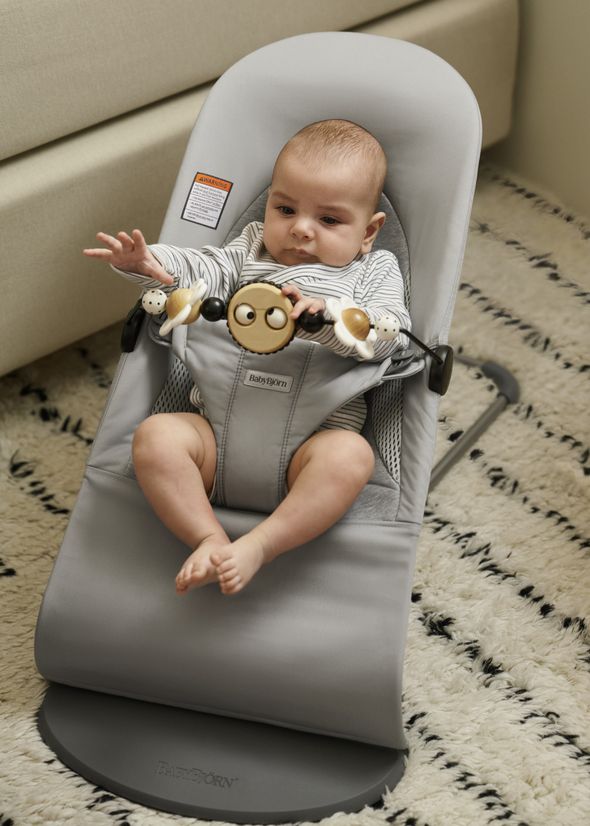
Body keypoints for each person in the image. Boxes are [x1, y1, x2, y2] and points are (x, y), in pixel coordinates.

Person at [83, 119, 411, 596]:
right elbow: (201, 270)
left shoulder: (372, 270)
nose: (300, 229)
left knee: (351, 457)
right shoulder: (252, 249)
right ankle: (209, 538)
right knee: (156, 436)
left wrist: (330, 320)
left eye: (329, 220)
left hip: (311, 447)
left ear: (368, 231)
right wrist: (151, 265)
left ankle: (261, 544)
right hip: (216, 436)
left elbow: (391, 333)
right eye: (286, 208)